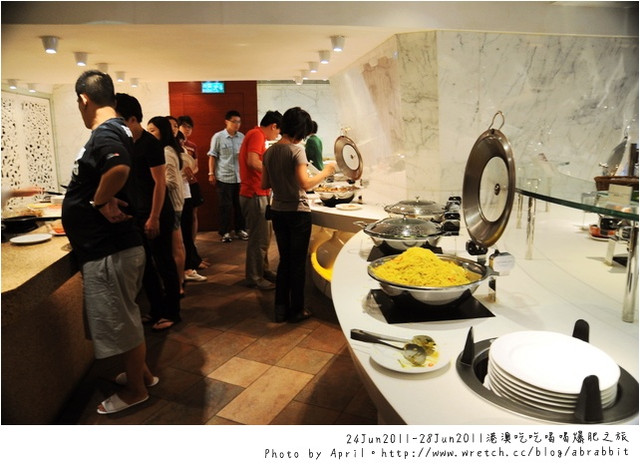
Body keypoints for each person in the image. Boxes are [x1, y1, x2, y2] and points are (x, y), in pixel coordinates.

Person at [61, 70, 156, 415]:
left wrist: (99, 202)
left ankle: (135, 391)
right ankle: (143, 375)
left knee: (123, 322)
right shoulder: (118, 129)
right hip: (114, 247)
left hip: (109, 249)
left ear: (84, 99)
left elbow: (118, 170)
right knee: (126, 317)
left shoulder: (105, 132)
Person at [262, 107, 336, 323]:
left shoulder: (269, 152)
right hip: (297, 212)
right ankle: (297, 310)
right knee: (297, 264)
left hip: (277, 211)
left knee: (285, 261)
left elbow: (265, 183)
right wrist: (326, 172)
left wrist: (281, 181)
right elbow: (305, 183)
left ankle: (280, 308)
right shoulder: (296, 150)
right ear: (300, 129)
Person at [115, 94, 182, 333]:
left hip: (156, 212)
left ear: (133, 119)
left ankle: (172, 312)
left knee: (164, 262)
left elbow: (159, 183)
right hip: (136, 213)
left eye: (119, 120)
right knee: (144, 265)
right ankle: (156, 309)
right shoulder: (124, 144)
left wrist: (154, 217)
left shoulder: (150, 144)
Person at [238, 110, 282, 291]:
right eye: (278, 131)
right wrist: (274, 175)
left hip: (257, 193)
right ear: (273, 126)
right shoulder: (256, 134)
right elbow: (252, 161)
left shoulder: (255, 134)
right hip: (254, 194)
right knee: (258, 239)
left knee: (264, 236)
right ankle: (254, 277)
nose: (277, 135)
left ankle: (263, 270)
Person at [147, 116, 187, 311]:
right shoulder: (170, 149)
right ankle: (179, 282)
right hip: (174, 202)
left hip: (172, 203)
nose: (149, 134)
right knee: (177, 245)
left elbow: (170, 181)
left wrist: (155, 183)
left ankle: (178, 284)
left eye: (152, 130)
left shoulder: (166, 151)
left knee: (175, 247)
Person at [207, 110, 248, 243]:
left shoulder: (242, 137)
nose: (237, 124)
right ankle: (225, 232)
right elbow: (212, 156)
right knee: (225, 206)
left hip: (239, 178)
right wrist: (211, 173)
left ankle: (240, 229)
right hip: (224, 177)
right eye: (234, 121)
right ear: (226, 122)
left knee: (240, 206)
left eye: (239, 122)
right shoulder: (218, 137)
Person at [178, 115, 202, 241]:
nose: (187, 129)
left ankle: (192, 242)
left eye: (190, 127)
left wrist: (191, 174)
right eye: (184, 126)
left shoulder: (192, 146)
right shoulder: (173, 145)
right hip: (178, 184)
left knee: (193, 214)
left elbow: (196, 167)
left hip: (191, 183)